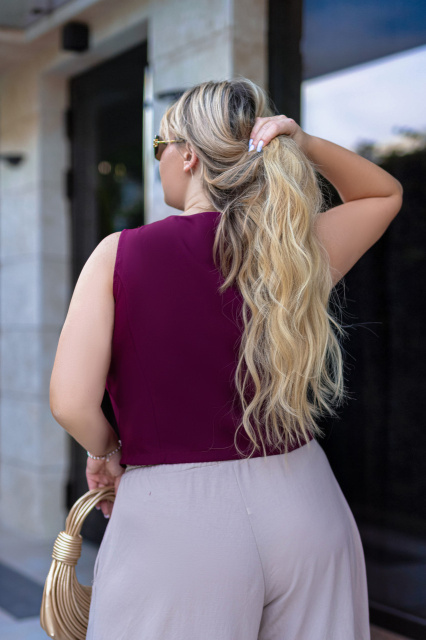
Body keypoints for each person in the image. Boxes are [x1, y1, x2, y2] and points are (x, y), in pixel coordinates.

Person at [49, 77, 403, 640]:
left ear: (188, 155)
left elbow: (71, 402)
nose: (158, 160)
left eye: (159, 145)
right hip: (303, 499)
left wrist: (107, 450)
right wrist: (301, 142)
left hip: (175, 522)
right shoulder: (291, 251)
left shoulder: (119, 254)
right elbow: (382, 195)